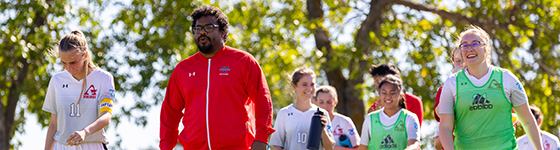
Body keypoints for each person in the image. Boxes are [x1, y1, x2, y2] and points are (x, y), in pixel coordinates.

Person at [159, 5, 274, 150]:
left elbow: (264, 101)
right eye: (197, 28)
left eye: (208, 27)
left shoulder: (243, 61)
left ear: (222, 31)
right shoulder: (183, 69)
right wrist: (166, 146)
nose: (202, 32)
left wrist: (262, 138)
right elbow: (170, 112)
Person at [438, 25, 543, 150]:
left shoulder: (507, 78)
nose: (469, 49)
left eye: (475, 44)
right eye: (464, 45)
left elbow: (528, 121)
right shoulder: (452, 83)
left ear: (487, 48)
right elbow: (445, 127)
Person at [43, 30, 115, 150]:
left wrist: (85, 132)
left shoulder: (104, 78)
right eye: (63, 63)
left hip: (93, 146)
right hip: (61, 147)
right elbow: (54, 125)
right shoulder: (56, 80)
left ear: (85, 55)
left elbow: (106, 116)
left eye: (73, 62)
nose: (69, 68)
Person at [269, 67, 335, 150]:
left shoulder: (322, 113)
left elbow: (330, 148)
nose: (309, 88)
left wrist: (323, 130)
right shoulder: (284, 113)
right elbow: (277, 145)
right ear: (294, 86)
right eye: (304, 84)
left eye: (312, 84)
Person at [358, 75, 420, 150]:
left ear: (400, 95)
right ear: (379, 94)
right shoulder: (370, 118)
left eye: (392, 93)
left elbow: (414, 144)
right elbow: (363, 147)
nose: (388, 97)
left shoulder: (410, 117)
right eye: (384, 92)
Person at [433, 46, 464, 149]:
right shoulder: (444, 89)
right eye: (458, 61)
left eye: (465, 59)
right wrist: (454, 84)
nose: (461, 64)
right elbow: (440, 112)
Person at [314, 85, 361, 149]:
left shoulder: (345, 121)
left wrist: (334, 148)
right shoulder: (310, 121)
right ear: (315, 103)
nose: (325, 106)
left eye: (329, 102)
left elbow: (358, 148)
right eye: (321, 102)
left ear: (335, 103)